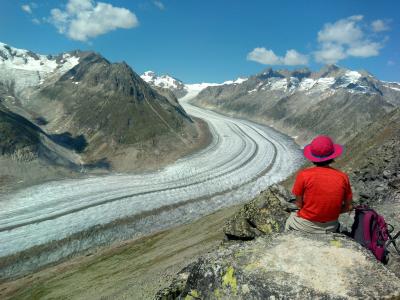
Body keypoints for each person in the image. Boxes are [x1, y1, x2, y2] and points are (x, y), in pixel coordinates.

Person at [285, 135, 353, 234]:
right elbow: (348, 207)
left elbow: (299, 205)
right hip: (331, 227)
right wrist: (329, 212)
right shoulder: (343, 177)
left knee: (290, 220)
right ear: (332, 156)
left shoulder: (304, 175)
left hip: (305, 226)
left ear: (312, 157)